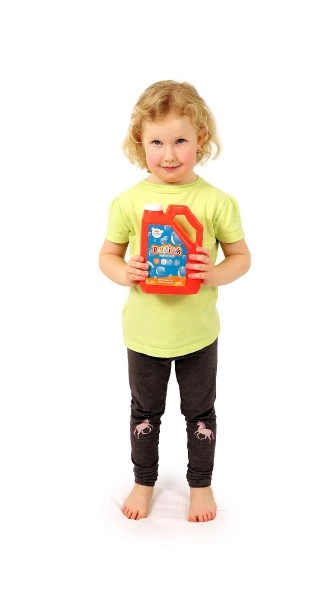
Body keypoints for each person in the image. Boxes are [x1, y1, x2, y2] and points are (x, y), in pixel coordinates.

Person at [99, 80, 251, 522]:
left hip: (198, 335)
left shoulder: (217, 202)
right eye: (157, 142)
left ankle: (201, 485)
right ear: (139, 141)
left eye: (180, 141)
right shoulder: (127, 202)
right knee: (145, 413)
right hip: (144, 335)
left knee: (200, 413)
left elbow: (241, 257)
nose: (169, 154)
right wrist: (125, 271)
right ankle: (143, 481)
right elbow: (107, 256)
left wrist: (214, 272)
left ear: (200, 138)